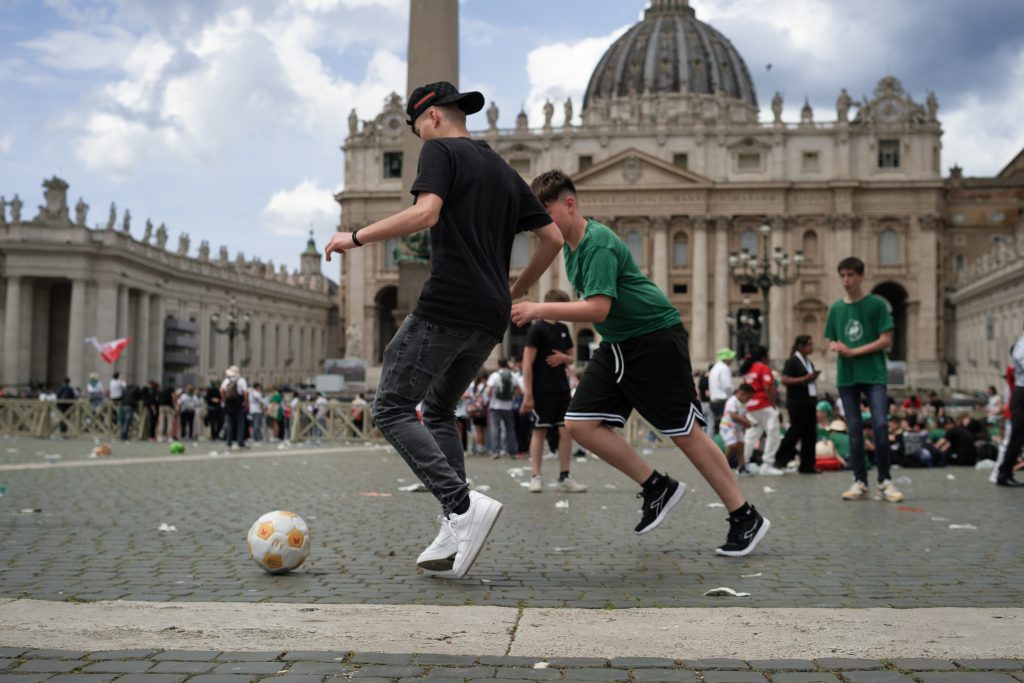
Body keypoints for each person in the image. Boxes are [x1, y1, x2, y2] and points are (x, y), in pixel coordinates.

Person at [323, 81, 564, 579]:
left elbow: (425, 212)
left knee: (389, 406)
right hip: (489, 314)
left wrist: (356, 236)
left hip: (449, 302)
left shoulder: (440, 151)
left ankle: (461, 505)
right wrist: (515, 288)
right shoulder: (503, 168)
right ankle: (457, 527)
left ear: (431, 117)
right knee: (436, 409)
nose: (419, 138)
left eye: (415, 129)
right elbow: (553, 237)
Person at [512, 169, 769, 557]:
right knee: (579, 423)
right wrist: (512, 291)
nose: (540, 225)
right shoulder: (568, 245)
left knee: (686, 433)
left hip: (653, 338)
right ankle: (656, 486)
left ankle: (745, 515)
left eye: (544, 213)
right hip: (619, 343)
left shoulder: (596, 243)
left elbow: (597, 309)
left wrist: (535, 308)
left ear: (569, 204)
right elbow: (541, 254)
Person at [824, 256, 904, 501]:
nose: (846, 280)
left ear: (860, 276)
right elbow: (830, 339)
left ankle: (885, 480)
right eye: (843, 276)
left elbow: (886, 339)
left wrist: (853, 351)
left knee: (880, 425)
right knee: (855, 431)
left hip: (873, 373)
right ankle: (860, 481)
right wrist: (836, 346)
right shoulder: (836, 308)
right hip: (847, 376)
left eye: (850, 275)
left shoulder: (876, 305)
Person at [521, 289, 586, 494]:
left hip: (561, 388)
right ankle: (535, 476)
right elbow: (527, 363)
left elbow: (571, 356)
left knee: (566, 431)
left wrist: (564, 359)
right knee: (539, 430)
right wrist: (528, 393)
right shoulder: (536, 329)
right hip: (541, 389)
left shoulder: (563, 329)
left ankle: (564, 476)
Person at [776, 335, 821, 474]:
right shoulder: (792, 361)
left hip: (809, 400)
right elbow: (784, 380)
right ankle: (780, 459)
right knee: (795, 431)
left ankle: (808, 464)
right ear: (801, 346)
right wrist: (805, 378)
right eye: (809, 345)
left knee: (810, 434)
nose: (812, 347)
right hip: (797, 402)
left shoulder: (808, 362)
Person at [739, 345, 784, 476]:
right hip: (764, 404)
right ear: (764, 356)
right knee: (773, 433)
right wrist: (773, 403)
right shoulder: (763, 368)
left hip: (751, 405)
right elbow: (768, 387)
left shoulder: (748, 369)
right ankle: (767, 463)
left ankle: (743, 463)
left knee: (752, 434)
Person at [995, 328, 1024, 487]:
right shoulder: (1022, 345)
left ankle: (1005, 472)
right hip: (1022, 393)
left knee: (1017, 437)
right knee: (1016, 437)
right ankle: (1004, 474)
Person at [486, 358, 519, 457]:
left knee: (495, 428)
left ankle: (496, 451)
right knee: (510, 429)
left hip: (495, 406)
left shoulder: (494, 376)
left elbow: (489, 392)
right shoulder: (512, 376)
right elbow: (518, 392)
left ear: (498, 364)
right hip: (508, 407)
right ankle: (512, 451)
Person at [720, 384, 754, 476]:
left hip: (737, 428)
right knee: (732, 445)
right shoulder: (732, 401)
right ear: (742, 394)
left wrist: (748, 422)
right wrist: (745, 422)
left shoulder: (743, 403)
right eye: (749, 397)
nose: (749, 400)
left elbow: (743, 415)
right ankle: (722, 466)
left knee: (741, 446)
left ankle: (742, 467)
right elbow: (733, 415)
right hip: (728, 427)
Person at [708, 348, 736, 433]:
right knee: (726, 427)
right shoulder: (724, 368)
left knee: (718, 427)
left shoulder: (715, 367)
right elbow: (727, 386)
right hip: (723, 401)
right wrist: (732, 397)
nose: (732, 360)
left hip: (714, 401)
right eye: (731, 358)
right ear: (726, 358)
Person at [221, 366, 248, 449]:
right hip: (238, 402)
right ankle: (240, 441)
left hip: (229, 403)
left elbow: (221, 390)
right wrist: (245, 401)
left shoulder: (227, 380)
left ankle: (229, 441)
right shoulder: (241, 380)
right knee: (240, 423)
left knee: (230, 423)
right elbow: (245, 392)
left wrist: (224, 399)